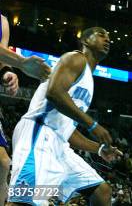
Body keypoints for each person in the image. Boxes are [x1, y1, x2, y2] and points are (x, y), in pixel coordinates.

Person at [7, 27, 122, 206]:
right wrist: (92, 125)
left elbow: (67, 130)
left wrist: (99, 149)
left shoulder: (89, 80)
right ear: (84, 40)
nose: (107, 39)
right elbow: (54, 93)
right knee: (24, 200)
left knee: (101, 192)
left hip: (58, 142)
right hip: (38, 133)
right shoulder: (75, 58)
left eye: (109, 37)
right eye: (101, 34)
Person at [0, 13, 50, 206]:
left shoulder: (3, 21)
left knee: (3, 163)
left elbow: (2, 56)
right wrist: (20, 62)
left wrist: (7, 72)